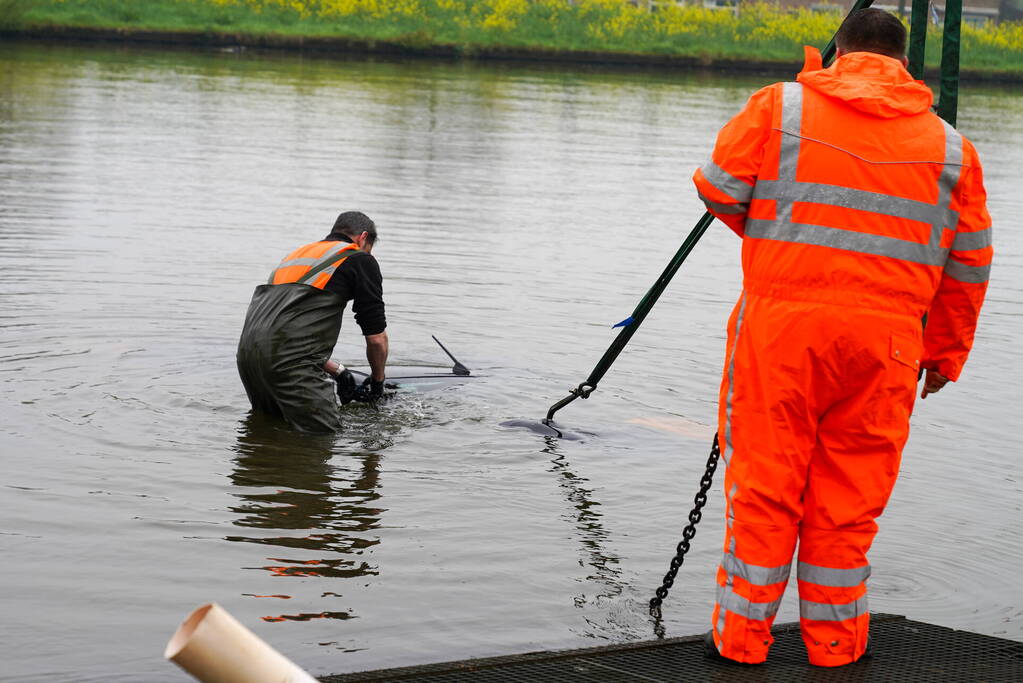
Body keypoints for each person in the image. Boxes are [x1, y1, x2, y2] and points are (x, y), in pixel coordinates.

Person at [692, 9, 992, 667]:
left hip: (782, 330)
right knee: (847, 503)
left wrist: (781, 240)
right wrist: (943, 351)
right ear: (902, 60)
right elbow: (968, 261)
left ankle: (741, 642)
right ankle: (832, 645)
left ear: (839, 50)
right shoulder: (949, 147)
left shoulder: (781, 107)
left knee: (766, 489)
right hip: (886, 344)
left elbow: (715, 185)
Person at [237, 211, 389, 432]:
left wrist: (339, 372)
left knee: (267, 434)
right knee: (322, 441)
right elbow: (376, 339)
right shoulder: (358, 258)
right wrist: (377, 383)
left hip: (249, 360)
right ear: (363, 237)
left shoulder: (296, 257)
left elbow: (278, 333)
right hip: (292, 368)